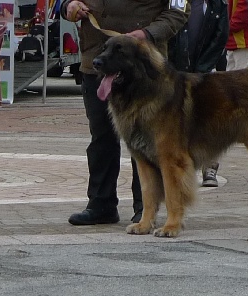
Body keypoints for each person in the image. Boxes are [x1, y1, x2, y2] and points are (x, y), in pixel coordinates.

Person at [60, 0, 189, 225]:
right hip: (96, 62)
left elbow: (180, 10)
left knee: (149, 142)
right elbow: (60, 3)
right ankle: (101, 205)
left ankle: (147, 208)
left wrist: (147, 33)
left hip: (143, 66)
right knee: (101, 138)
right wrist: (67, 6)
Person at [168, 0, 229, 187]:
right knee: (178, 122)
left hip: (206, 70)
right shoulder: (173, 3)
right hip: (175, 70)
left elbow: (220, 37)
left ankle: (210, 166)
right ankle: (183, 166)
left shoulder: (217, 4)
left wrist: (203, 67)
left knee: (210, 120)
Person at [225, 0, 248, 71]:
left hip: (242, 43)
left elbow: (241, 18)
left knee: (242, 79)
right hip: (234, 42)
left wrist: (222, 29)